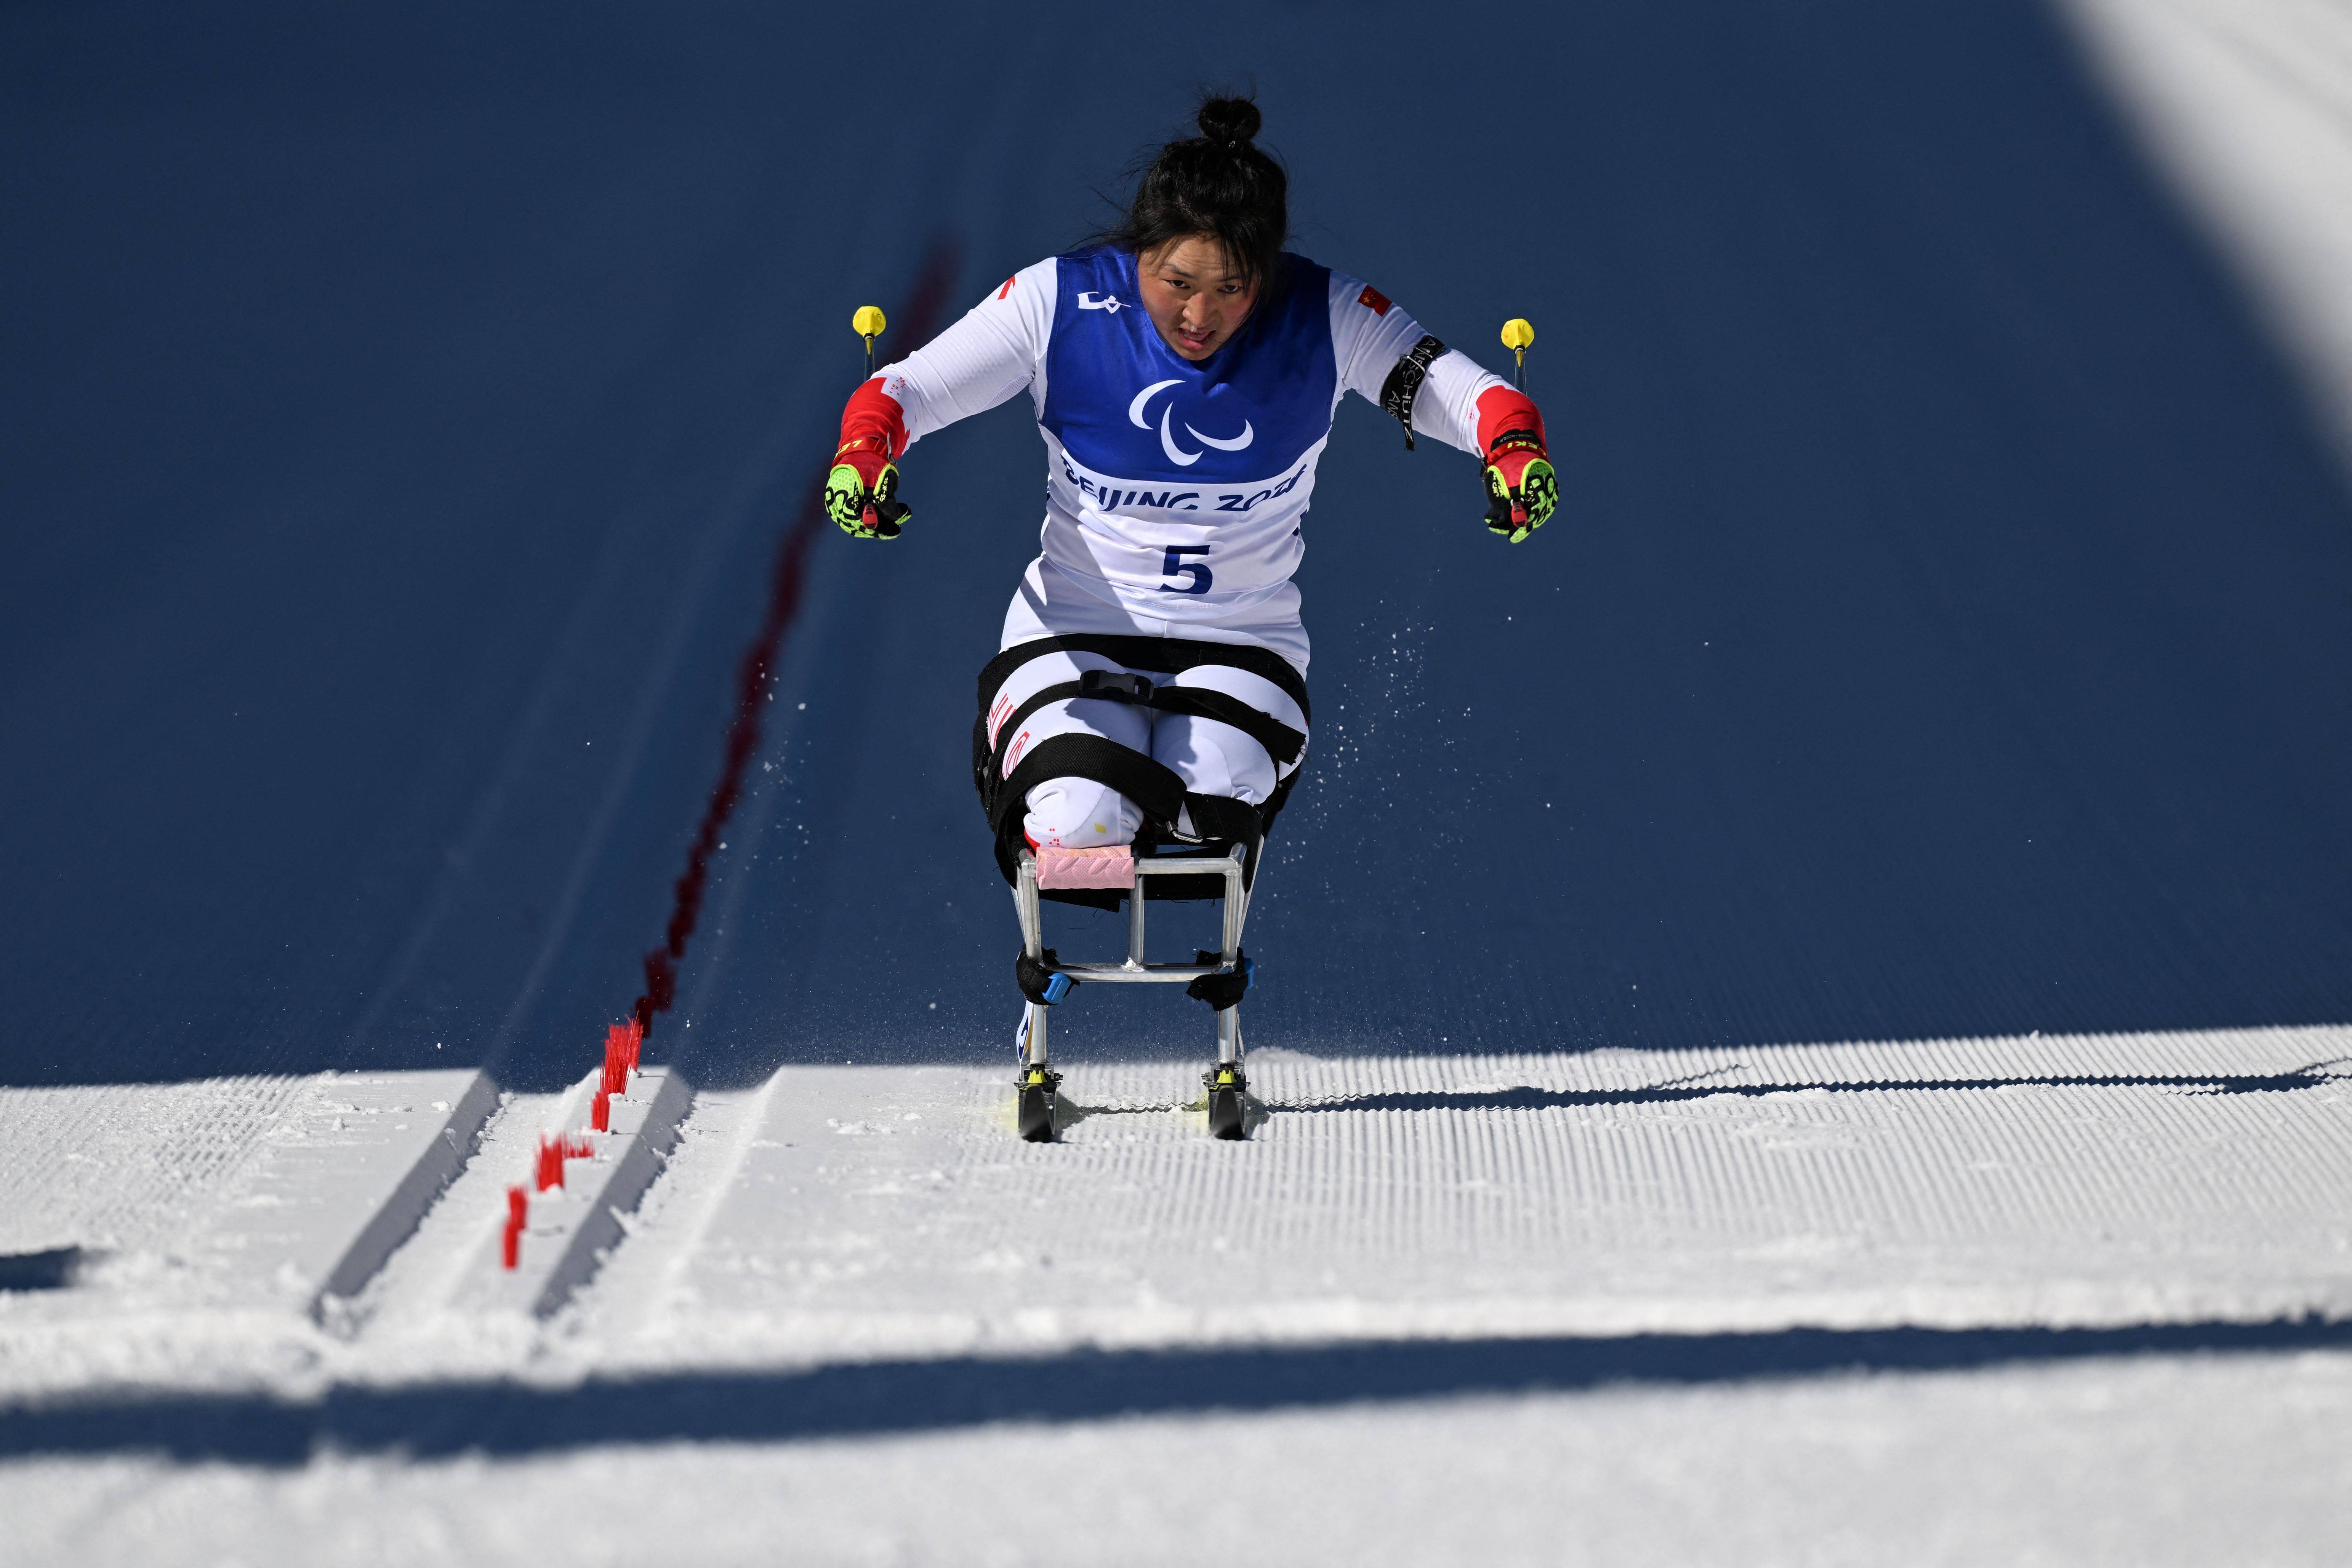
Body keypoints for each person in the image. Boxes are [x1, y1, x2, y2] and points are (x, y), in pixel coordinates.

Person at [824, 93, 1557, 889]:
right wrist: (866, 457)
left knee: (1207, 822)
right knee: (1079, 826)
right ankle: (1052, 971)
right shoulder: (1058, 300)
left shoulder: (1327, 313)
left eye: (1235, 288)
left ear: (1268, 275)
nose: (1200, 316)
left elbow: (1473, 396)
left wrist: (1511, 451)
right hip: (1073, 632)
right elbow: (906, 390)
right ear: (1138, 251)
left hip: (1240, 643)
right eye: (1176, 282)